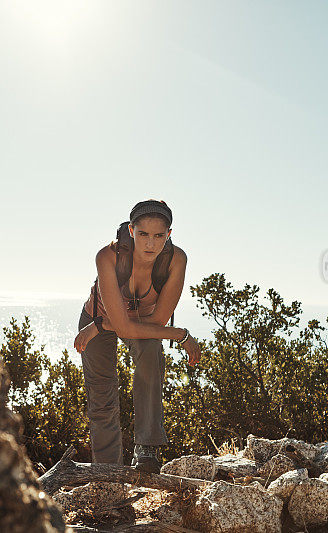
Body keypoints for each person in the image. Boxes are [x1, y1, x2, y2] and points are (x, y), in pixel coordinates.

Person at [73, 200, 201, 473]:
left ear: (168, 235)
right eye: (143, 234)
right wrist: (180, 334)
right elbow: (126, 328)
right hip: (94, 318)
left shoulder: (176, 259)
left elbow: (154, 323)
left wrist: (105, 325)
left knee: (150, 349)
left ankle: (146, 450)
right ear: (131, 231)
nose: (150, 244)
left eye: (158, 236)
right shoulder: (107, 256)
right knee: (102, 396)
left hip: (109, 323)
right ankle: (107, 471)